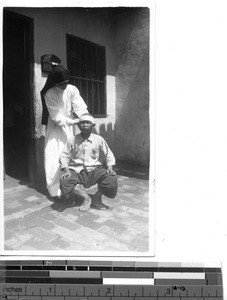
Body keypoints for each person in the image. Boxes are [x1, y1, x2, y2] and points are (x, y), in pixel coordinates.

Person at [41, 65, 88, 198]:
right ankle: (55, 191)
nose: (64, 86)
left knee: (68, 156)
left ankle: (70, 186)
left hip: (69, 128)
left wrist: (85, 117)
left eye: (66, 83)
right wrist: (75, 122)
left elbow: (80, 106)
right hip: (56, 129)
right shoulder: (49, 94)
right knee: (53, 157)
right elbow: (57, 117)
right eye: (61, 84)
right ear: (54, 82)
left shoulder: (72, 89)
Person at [59, 113, 118, 211]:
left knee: (111, 179)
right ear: (78, 125)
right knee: (64, 181)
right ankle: (86, 198)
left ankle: (97, 197)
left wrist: (110, 168)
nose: (84, 125)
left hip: (95, 169)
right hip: (77, 170)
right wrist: (66, 170)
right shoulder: (72, 139)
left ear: (93, 125)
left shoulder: (99, 139)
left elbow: (109, 154)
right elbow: (63, 155)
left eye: (87, 122)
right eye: (82, 123)